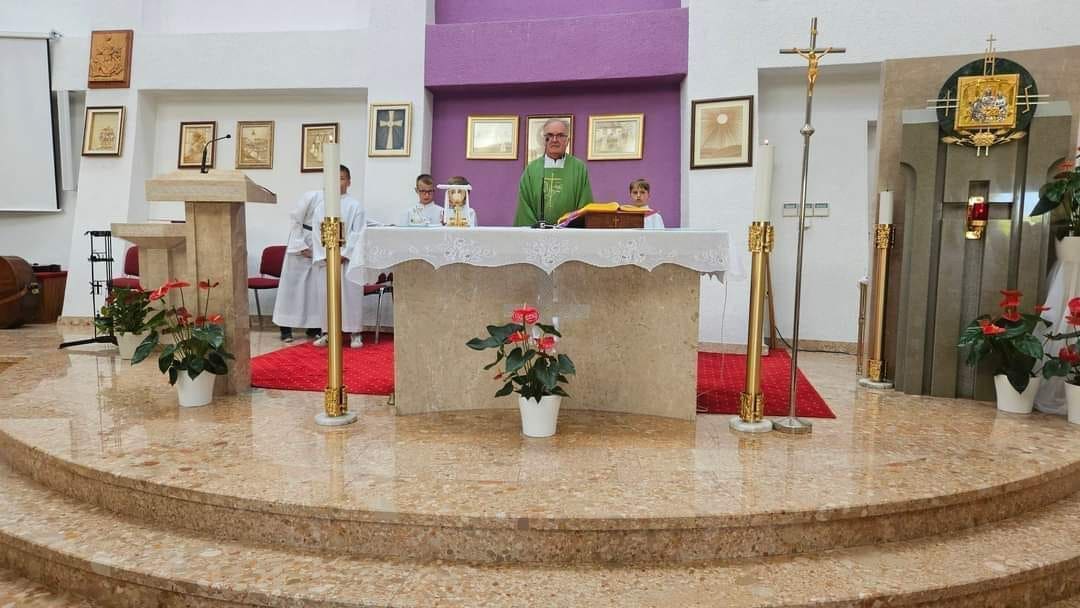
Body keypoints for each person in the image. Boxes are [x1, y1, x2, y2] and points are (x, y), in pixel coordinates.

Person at [310, 164, 367, 349]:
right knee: (327, 296)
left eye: (341, 178)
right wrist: (326, 255)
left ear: (348, 182)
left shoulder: (355, 206)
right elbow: (317, 233)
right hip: (327, 261)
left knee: (350, 296)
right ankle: (328, 332)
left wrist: (344, 254)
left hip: (348, 262)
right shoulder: (321, 207)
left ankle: (355, 333)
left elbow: (358, 233)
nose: (337, 182)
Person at [514, 118, 593, 226]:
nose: (554, 140)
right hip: (537, 233)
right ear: (544, 140)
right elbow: (525, 208)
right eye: (550, 135)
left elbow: (584, 207)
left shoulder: (578, 168)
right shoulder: (531, 170)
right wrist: (536, 230)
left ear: (567, 140)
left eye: (560, 135)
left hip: (569, 233)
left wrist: (569, 227)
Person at [271, 191, 324, 342]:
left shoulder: (339, 200)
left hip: (320, 242)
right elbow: (296, 220)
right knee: (291, 289)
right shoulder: (312, 196)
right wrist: (300, 245)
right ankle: (285, 328)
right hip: (302, 242)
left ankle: (314, 327)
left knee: (315, 290)